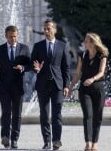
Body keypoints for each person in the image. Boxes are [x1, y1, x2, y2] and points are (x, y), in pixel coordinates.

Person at [31, 19, 70, 150]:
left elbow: (66, 68)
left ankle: (57, 140)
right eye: (45, 29)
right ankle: (47, 141)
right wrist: (35, 68)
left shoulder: (62, 46)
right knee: (44, 114)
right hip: (42, 84)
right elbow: (33, 64)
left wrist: (66, 85)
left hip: (58, 85)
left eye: (49, 28)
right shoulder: (38, 46)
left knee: (57, 114)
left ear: (55, 30)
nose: (47, 31)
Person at [0, 25, 31, 149]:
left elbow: (30, 65)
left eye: (15, 36)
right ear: (6, 36)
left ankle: (14, 139)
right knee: (6, 112)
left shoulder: (24, 48)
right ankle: (5, 137)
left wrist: (23, 68)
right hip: (3, 87)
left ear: (17, 36)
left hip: (18, 87)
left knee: (17, 114)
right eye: (10, 37)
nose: (13, 39)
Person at [68, 32, 108, 151]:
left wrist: (92, 79)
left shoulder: (102, 55)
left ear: (92, 42)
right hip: (84, 90)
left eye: (86, 41)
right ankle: (88, 142)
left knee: (98, 116)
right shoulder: (82, 55)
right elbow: (78, 73)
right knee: (88, 115)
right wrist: (70, 87)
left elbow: (101, 72)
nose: (84, 43)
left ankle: (95, 142)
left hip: (98, 88)